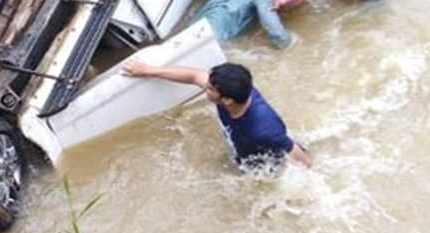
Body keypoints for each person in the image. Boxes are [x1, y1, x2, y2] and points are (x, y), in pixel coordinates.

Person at [122, 60, 312, 169]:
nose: (204, 86)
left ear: (227, 100)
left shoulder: (265, 129)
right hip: (242, 147)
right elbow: (193, 76)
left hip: (265, 164)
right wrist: (148, 71)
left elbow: (302, 161)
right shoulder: (230, 93)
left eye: (209, 88)